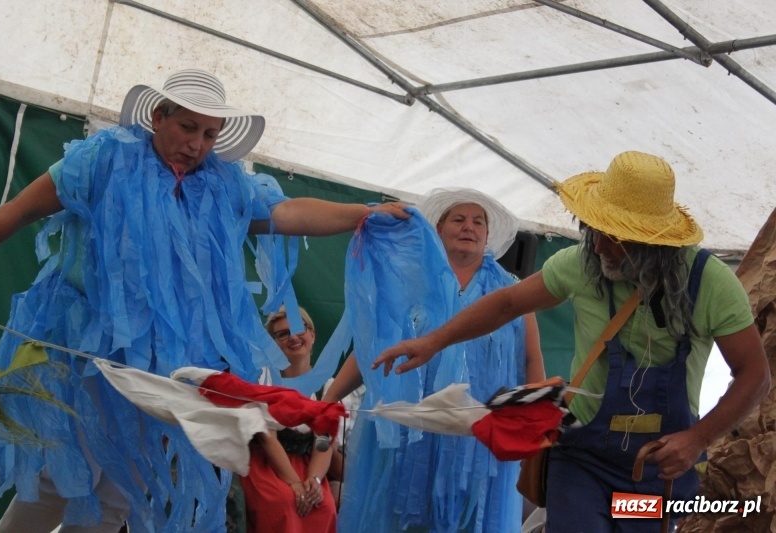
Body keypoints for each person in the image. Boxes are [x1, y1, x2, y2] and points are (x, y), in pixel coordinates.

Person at [0, 69, 408, 532]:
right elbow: (17, 212)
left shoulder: (225, 186)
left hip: (169, 361)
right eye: (187, 128)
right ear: (159, 117)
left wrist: (364, 213)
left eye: (209, 134)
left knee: (123, 487)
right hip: (93, 350)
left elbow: (289, 211)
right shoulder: (101, 160)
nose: (197, 144)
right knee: (63, 477)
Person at [374, 151, 771, 533]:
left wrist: (698, 438)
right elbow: (508, 303)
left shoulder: (712, 283)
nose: (598, 246)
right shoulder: (583, 262)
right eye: (595, 231)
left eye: (615, 238)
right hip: (583, 455)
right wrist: (433, 341)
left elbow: (754, 375)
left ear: (655, 241)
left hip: (658, 468)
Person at [324, 188, 544, 532]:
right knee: (400, 514)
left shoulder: (511, 294)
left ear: (488, 235)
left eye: (478, 221)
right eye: (458, 219)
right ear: (438, 230)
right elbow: (371, 350)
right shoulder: (409, 283)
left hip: (477, 437)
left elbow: (531, 359)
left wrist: (534, 415)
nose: (468, 227)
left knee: (471, 517)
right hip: (412, 429)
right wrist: (327, 399)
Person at [241, 307, 337, 533]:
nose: (293, 337)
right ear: (273, 345)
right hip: (267, 464)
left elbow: (324, 441)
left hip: (309, 465)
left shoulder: (328, 387)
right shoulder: (264, 379)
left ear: (312, 334)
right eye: (282, 334)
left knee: (324, 506)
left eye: (298, 328)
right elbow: (267, 438)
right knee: (283, 502)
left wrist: (313, 480)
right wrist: (294, 483)